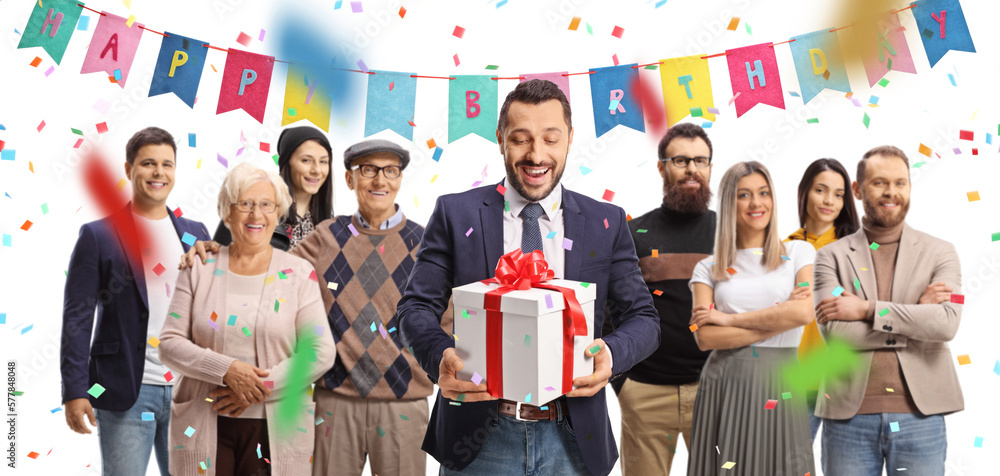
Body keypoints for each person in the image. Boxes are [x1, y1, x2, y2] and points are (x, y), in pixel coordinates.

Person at [394, 79, 661, 476]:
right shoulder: (456, 213)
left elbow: (645, 319)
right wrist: (440, 358)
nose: (536, 155)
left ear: (570, 139)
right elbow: (414, 307)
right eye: (521, 139)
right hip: (478, 438)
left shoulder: (606, 222)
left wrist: (611, 355)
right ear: (500, 138)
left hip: (573, 439)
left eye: (551, 139)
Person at [158, 163, 336, 476]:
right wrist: (227, 371)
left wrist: (257, 387)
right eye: (245, 204)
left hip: (277, 428)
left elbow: (320, 351)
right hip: (203, 425)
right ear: (227, 213)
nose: (256, 215)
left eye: (267, 205)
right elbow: (170, 345)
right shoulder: (199, 267)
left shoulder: (299, 273)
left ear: (278, 213)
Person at [288, 139, 453, 476]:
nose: (380, 180)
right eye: (368, 170)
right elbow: (269, 275)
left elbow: (449, 320)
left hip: (404, 405)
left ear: (400, 179)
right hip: (335, 401)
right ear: (350, 179)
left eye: (390, 171)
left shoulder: (426, 243)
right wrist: (213, 251)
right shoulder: (326, 236)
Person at [60, 127, 211, 475]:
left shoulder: (196, 233)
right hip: (124, 389)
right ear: (129, 170)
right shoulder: (98, 235)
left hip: (188, 392)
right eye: (148, 164)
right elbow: (77, 318)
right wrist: (74, 390)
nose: (159, 173)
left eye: (167, 165)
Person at [813, 146, 963, 476]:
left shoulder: (941, 253)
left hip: (922, 418)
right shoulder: (830, 257)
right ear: (857, 189)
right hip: (847, 419)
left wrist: (866, 308)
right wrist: (915, 316)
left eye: (900, 183)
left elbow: (946, 325)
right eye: (880, 183)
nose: (891, 192)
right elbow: (836, 334)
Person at [687, 161, 816, 475]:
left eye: (763, 193)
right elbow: (704, 337)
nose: (756, 203)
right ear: (730, 203)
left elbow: (802, 312)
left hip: (783, 381)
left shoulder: (799, 252)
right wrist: (777, 319)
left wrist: (729, 321)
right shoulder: (707, 267)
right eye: (744, 195)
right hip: (726, 383)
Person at [607, 123, 716, 475]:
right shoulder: (633, 232)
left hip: (716, 392)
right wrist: (623, 383)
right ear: (661, 167)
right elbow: (609, 309)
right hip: (646, 394)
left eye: (701, 160)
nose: (692, 169)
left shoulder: (732, 231)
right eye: (681, 160)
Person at [784, 158, 860, 442]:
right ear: (804, 192)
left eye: (839, 194)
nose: (829, 200)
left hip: (845, 376)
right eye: (820, 190)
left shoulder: (859, 246)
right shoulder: (785, 247)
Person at [212, 125, 334, 250]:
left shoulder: (327, 222)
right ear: (286, 163)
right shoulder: (249, 206)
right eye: (306, 160)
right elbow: (214, 259)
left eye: (323, 162)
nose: (317, 170)